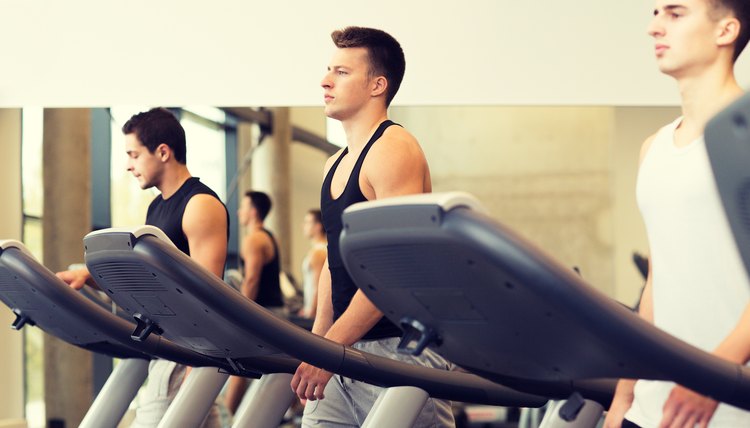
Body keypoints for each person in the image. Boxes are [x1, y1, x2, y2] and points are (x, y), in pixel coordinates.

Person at [290, 26, 455, 427]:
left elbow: (396, 271)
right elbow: (334, 262)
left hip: (397, 349)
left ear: (377, 84)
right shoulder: (335, 163)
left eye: (342, 72)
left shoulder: (393, 150)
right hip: (344, 347)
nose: (325, 80)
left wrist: (328, 348)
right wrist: (317, 343)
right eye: (329, 69)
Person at [604, 1, 750, 427]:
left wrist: (714, 378)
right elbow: (656, 282)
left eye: (675, 13)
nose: (654, 27)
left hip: (729, 406)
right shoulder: (655, 147)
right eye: (654, 13)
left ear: (725, 31)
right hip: (654, 406)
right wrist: (624, 395)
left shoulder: (746, 137)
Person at [56, 108, 228, 428]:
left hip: (184, 351)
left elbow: (208, 298)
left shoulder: (200, 205)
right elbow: (154, 283)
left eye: (134, 154)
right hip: (166, 345)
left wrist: (196, 369)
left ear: (163, 152)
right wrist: (89, 276)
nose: (128, 165)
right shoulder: (157, 206)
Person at [224, 189, 284, 415]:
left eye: (244, 206)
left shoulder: (253, 240)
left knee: (239, 363)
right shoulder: (269, 236)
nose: (239, 211)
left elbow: (251, 279)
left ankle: (228, 417)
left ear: (254, 211)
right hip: (274, 311)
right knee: (258, 367)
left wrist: (242, 317)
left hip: (262, 312)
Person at [299, 209, 327, 319]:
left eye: (307, 222)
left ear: (318, 226)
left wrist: (312, 310)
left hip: (314, 313)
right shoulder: (320, 249)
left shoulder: (318, 252)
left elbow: (318, 287)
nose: (303, 226)